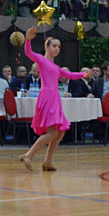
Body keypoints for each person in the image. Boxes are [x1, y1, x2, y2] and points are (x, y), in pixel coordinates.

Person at [17, 27, 91, 172]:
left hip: (54, 98)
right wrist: (28, 40)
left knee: (60, 131)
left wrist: (84, 74)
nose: (57, 49)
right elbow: (28, 53)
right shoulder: (42, 61)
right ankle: (28, 155)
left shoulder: (56, 67)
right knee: (52, 133)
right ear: (47, 46)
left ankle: (47, 162)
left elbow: (70, 75)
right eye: (54, 46)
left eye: (59, 47)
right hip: (47, 97)